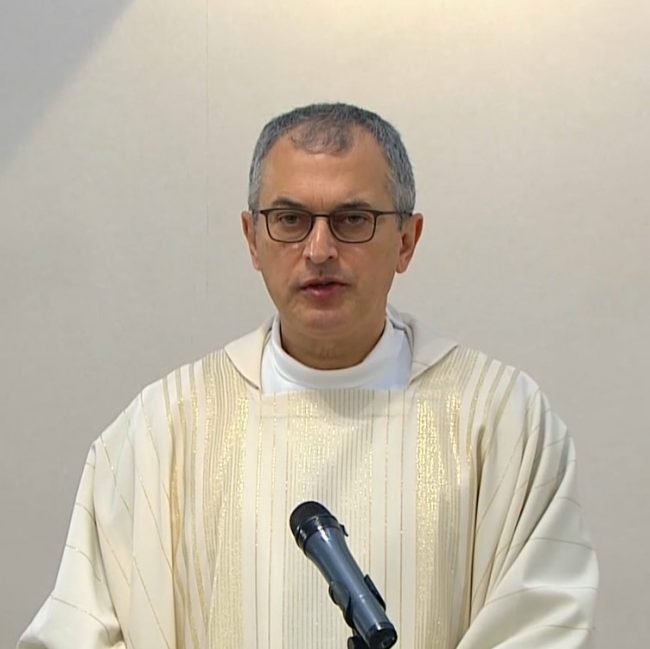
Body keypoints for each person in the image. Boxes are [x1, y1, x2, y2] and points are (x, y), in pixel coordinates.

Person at [18, 103, 598, 649]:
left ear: (407, 240)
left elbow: (543, 628)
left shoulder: (501, 422)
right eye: (290, 220)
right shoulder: (160, 432)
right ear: (252, 239)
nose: (319, 249)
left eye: (353, 220)